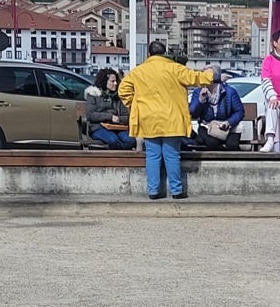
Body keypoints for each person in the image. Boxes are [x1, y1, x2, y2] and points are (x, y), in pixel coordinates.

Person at [118, 41, 213, 200]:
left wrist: (135, 104)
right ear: (165, 54)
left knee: (152, 155)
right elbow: (196, 78)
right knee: (172, 155)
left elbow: (123, 90)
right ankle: (176, 191)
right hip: (172, 118)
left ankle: (153, 191)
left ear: (148, 55)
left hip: (149, 118)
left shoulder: (138, 71)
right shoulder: (175, 68)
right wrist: (210, 73)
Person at [189, 70, 245, 151]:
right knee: (212, 142)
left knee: (232, 145)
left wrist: (229, 122)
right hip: (207, 126)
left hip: (228, 126)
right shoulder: (198, 92)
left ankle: (236, 162)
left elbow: (239, 112)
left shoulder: (229, 91)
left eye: (205, 76)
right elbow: (193, 113)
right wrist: (200, 101)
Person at [259, 30, 280, 153]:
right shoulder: (269, 59)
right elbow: (265, 80)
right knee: (271, 106)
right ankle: (270, 140)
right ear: (275, 43)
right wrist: (272, 96)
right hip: (277, 99)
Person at [84, 69, 136, 150]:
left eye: (116, 81)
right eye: (112, 81)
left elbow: (126, 116)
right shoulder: (93, 94)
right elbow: (90, 115)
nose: (115, 83)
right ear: (105, 81)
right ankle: (116, 160)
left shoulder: (119, 97)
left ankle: (119, 159)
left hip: (118, 127)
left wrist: (119, 119)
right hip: (99, 127)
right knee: (113, 140)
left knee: (130, 141)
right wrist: (110, 117)